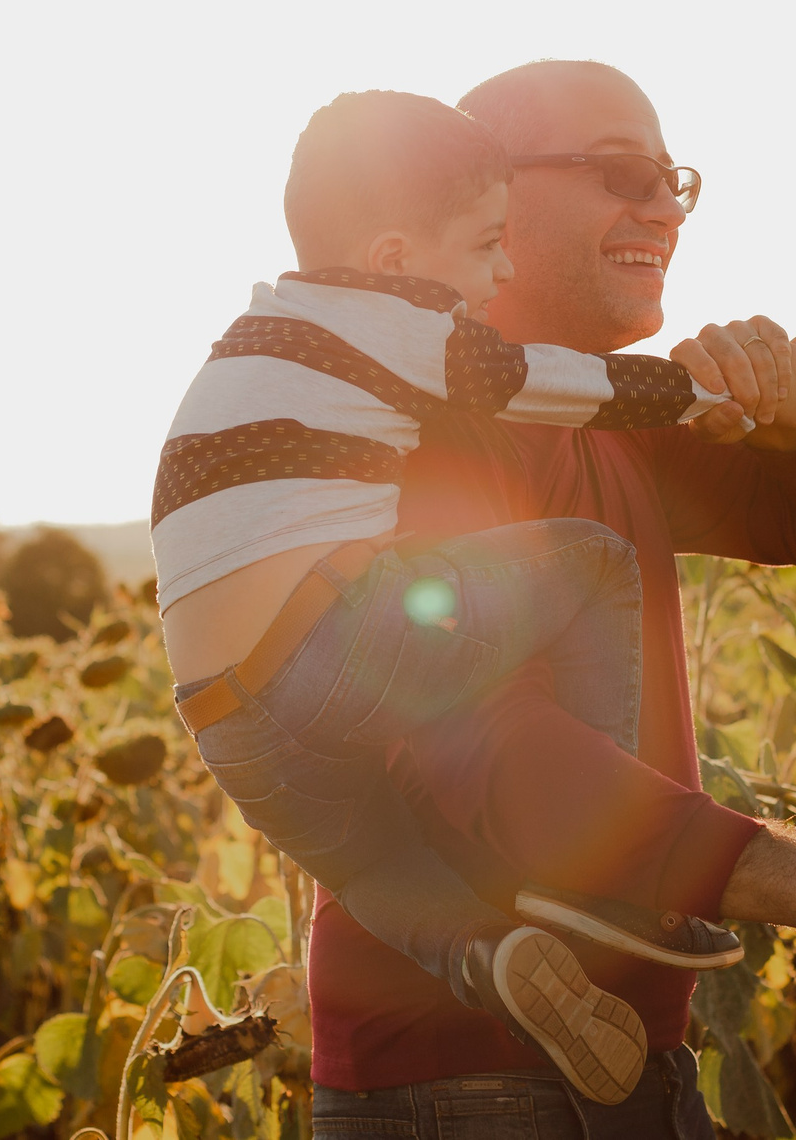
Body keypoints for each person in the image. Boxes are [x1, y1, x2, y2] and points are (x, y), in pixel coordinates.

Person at [304, 60, 796, 1140]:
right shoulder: (413, 426)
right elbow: (482, 749)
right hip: (469, 1084)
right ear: (482, 198)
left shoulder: (604, 418)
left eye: (673, 180)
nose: (661, 207)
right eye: (619, 171)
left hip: (609, 1067)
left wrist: (795, 420)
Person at [155, 90, 747, 1106]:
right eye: (485, 245)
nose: (503, 271)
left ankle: (492, 956)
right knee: (593, 562)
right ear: (391, 258)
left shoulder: (253, 339)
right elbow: (554, 386)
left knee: (385, 869)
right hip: (327, 641)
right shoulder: (391, 325)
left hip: (224, 716)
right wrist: (698, 396)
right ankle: (591, 870)